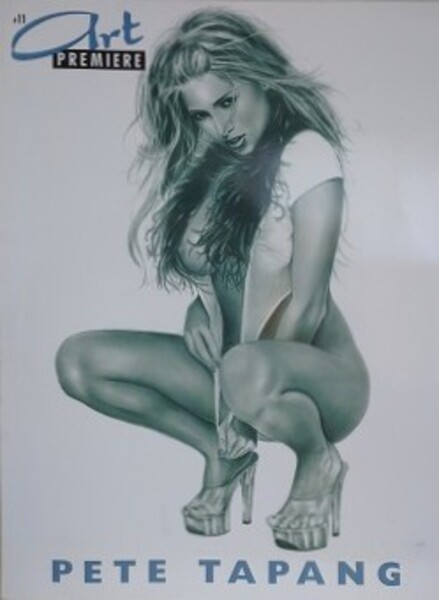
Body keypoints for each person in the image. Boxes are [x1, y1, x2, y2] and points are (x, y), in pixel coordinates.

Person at [55, 8, 369, 551]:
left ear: (260, 77)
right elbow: (218, 275)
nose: (221, 125)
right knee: (79, 361)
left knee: (244, 367)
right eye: (201, 114)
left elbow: (309, 304)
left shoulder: (306, 153)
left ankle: (317, 459)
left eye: (227, 101)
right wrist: (198, 311)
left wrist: (248, 382)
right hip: (233, 377)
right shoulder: (211, 164)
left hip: (319, 380)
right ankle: (219, 455)